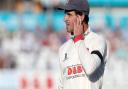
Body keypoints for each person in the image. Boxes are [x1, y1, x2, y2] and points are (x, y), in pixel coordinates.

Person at [57, 0, 109, 89]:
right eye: (65, 14)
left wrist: (78, 39)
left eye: (69, 14)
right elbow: (61, 85)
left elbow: (90, 68)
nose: (64, 19)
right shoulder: (63, 48)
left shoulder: (98, 41)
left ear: (81, 16)